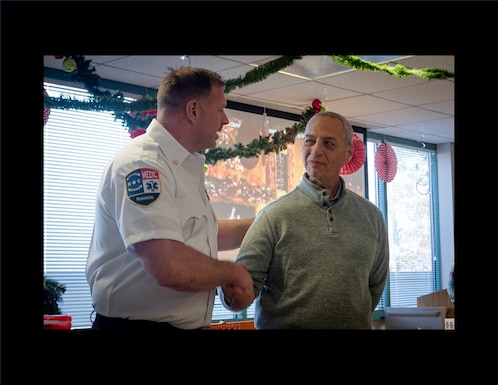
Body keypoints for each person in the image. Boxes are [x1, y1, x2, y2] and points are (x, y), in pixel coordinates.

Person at [86, 67, 255, 330]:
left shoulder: (180, 165)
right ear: (194, 110)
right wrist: (230, 273)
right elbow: (167, 264)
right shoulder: (143, 165)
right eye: (221, 109)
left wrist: (268, 223)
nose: (226, 120)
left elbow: (199, 234)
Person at [220, 110, 390, 329]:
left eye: (328, 144)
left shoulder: (372, 218)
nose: (316, 150)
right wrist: (228, 292)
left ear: (348, 153)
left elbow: (374, 288)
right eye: (310, 141)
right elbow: (242, 291)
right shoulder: (273, 216)